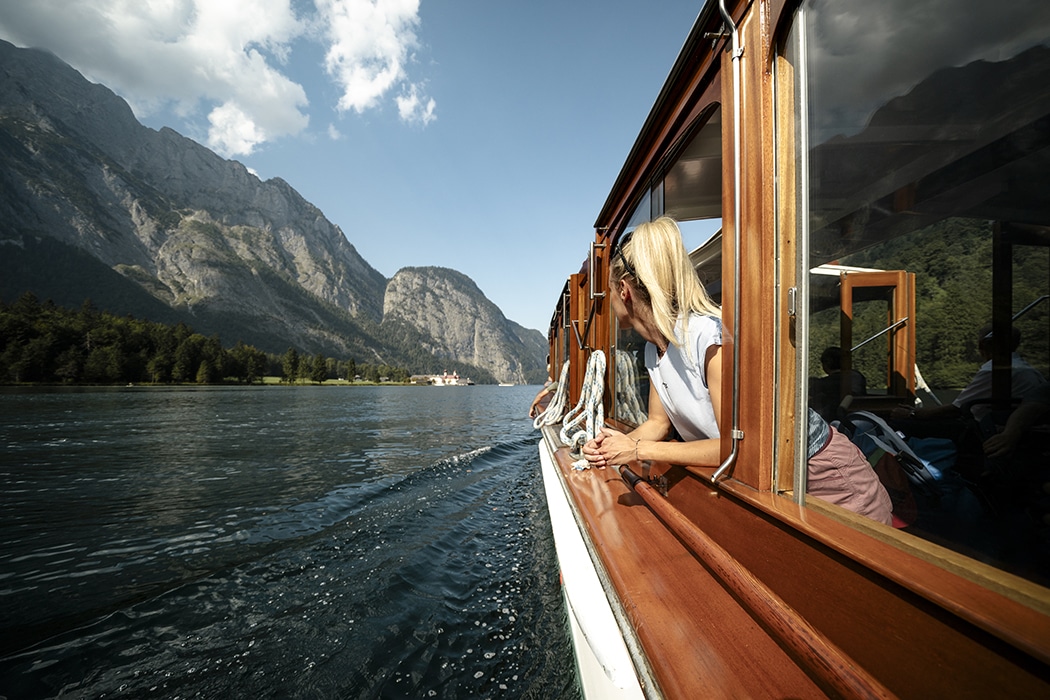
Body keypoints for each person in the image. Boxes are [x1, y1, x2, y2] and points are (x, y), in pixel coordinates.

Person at [582, 217, 892, 524]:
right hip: (769, 481)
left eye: (610, 292)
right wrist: (609, 448)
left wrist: (636, 449)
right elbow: (657, 423)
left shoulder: (706, 337)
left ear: (624, 291)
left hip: (818, 475)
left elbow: (735, 444)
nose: (610, 303)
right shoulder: (655, 349)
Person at [892, 324, 1046, 425]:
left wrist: (912, 414)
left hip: (988, 429)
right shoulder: (1026, 368)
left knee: (902, 425)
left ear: (982, 346)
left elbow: (956, 408)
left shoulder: (995, 370)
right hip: (1014, 426)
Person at [809, 346, 867, 421]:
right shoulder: (857, 377)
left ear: (826, 364)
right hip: (860, 418)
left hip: (832, 421)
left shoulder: (823, 384)